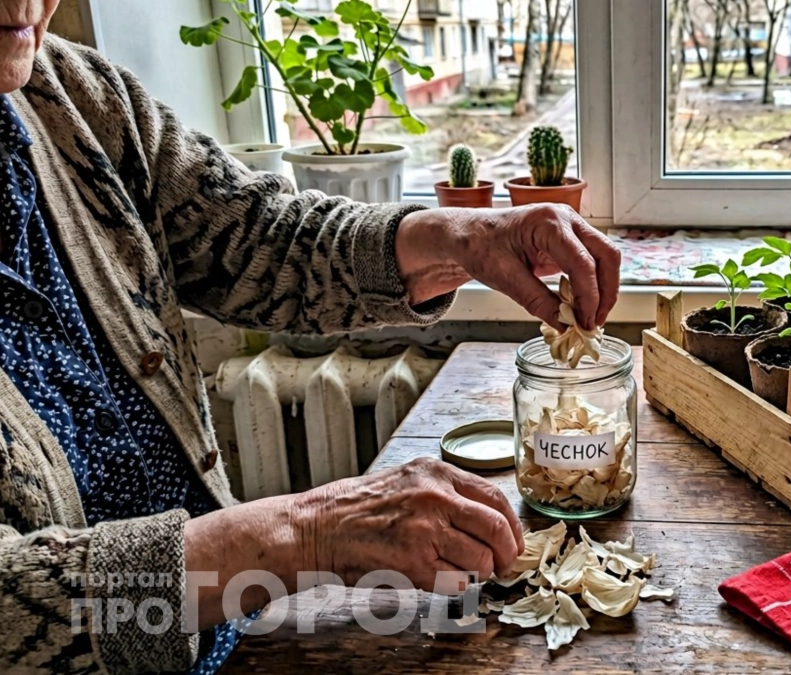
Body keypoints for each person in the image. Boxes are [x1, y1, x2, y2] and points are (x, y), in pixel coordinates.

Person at [0, 1, 621, 673]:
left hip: (227, 639)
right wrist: (306, 533)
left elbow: (255, 234)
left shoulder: (76, 99)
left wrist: (458, 237)